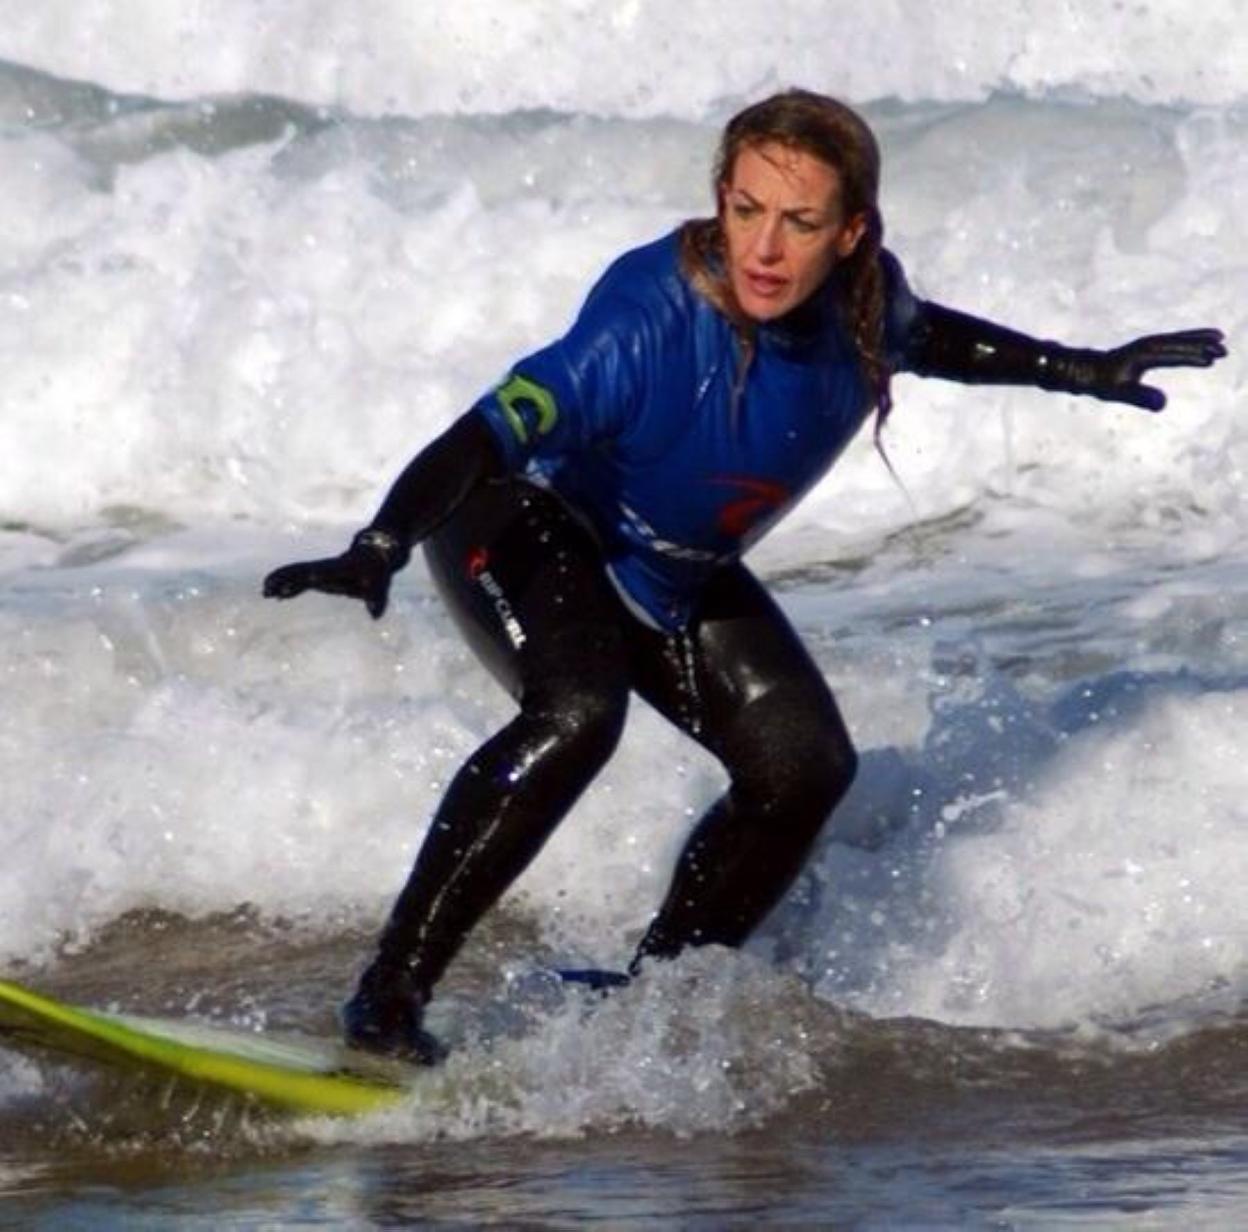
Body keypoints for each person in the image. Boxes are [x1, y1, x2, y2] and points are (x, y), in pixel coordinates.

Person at [263, 89, 1226, 1062]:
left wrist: (1084, 370)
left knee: (804, 767)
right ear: (721, 199)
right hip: (522, 519)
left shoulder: (868, 307)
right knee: (576, 712)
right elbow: (486, 431)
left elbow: (938, 339)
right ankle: (387, 999)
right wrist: (382, 540)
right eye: (747, 209)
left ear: (850, 233)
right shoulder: (649, 315)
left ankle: (654, 1004)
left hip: (669, 574)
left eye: (800, 222)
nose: (765, 248)